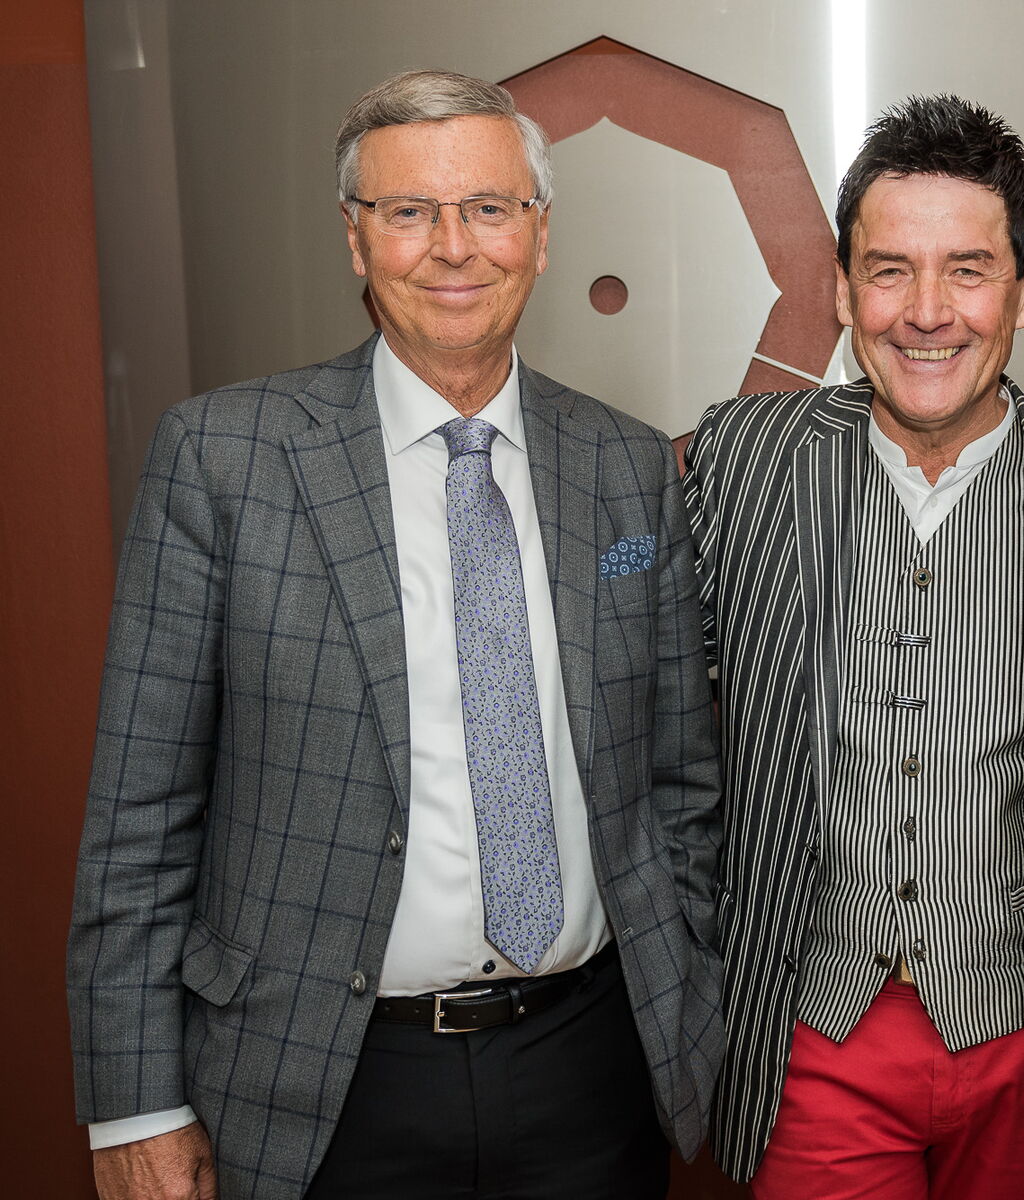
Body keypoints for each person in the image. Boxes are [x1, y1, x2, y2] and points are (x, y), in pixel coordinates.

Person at [66, 69, 723, 1200]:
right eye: (410, 211)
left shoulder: (625, 466)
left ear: (540, 234)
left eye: (489, 208)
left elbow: (680, 782)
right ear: (356, 240)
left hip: (591, 1068)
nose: (453, 247)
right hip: (321, 1080)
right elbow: (140, 813)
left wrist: (685, 981)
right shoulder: (225, 460)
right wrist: (135, 1102)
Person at [683, 95, 1024, 1200]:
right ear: (843, 289)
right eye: (889, 270)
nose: (926, 313)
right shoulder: (741, 463)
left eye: (968, 270)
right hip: (814, 1035)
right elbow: (650, 725)